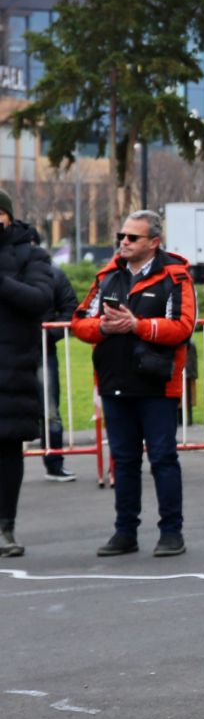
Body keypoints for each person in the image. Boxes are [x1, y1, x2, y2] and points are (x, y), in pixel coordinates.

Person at [71, 210, 197, 558]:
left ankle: (172, 532)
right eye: (121, 237)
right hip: (114, 382)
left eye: (132, 238)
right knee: (123, 461)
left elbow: (183, 327)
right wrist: (104, 328)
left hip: (157, 385)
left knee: (162, 458)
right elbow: (80, 321)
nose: (123, 243)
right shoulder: (108, 276)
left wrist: (137, 326)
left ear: (153, 243)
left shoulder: (176, 277)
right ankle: (124, 532)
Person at [0, 190, 56, 557]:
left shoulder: (31, 254)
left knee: (7, 451)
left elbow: (40, 299)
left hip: (11, 370)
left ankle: (6, 527)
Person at [41, 255, 79, 482]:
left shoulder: (53, 273)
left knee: (50, 409)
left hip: (42, 351)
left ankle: (54, 462)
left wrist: (45, 336)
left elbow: (70, 309)